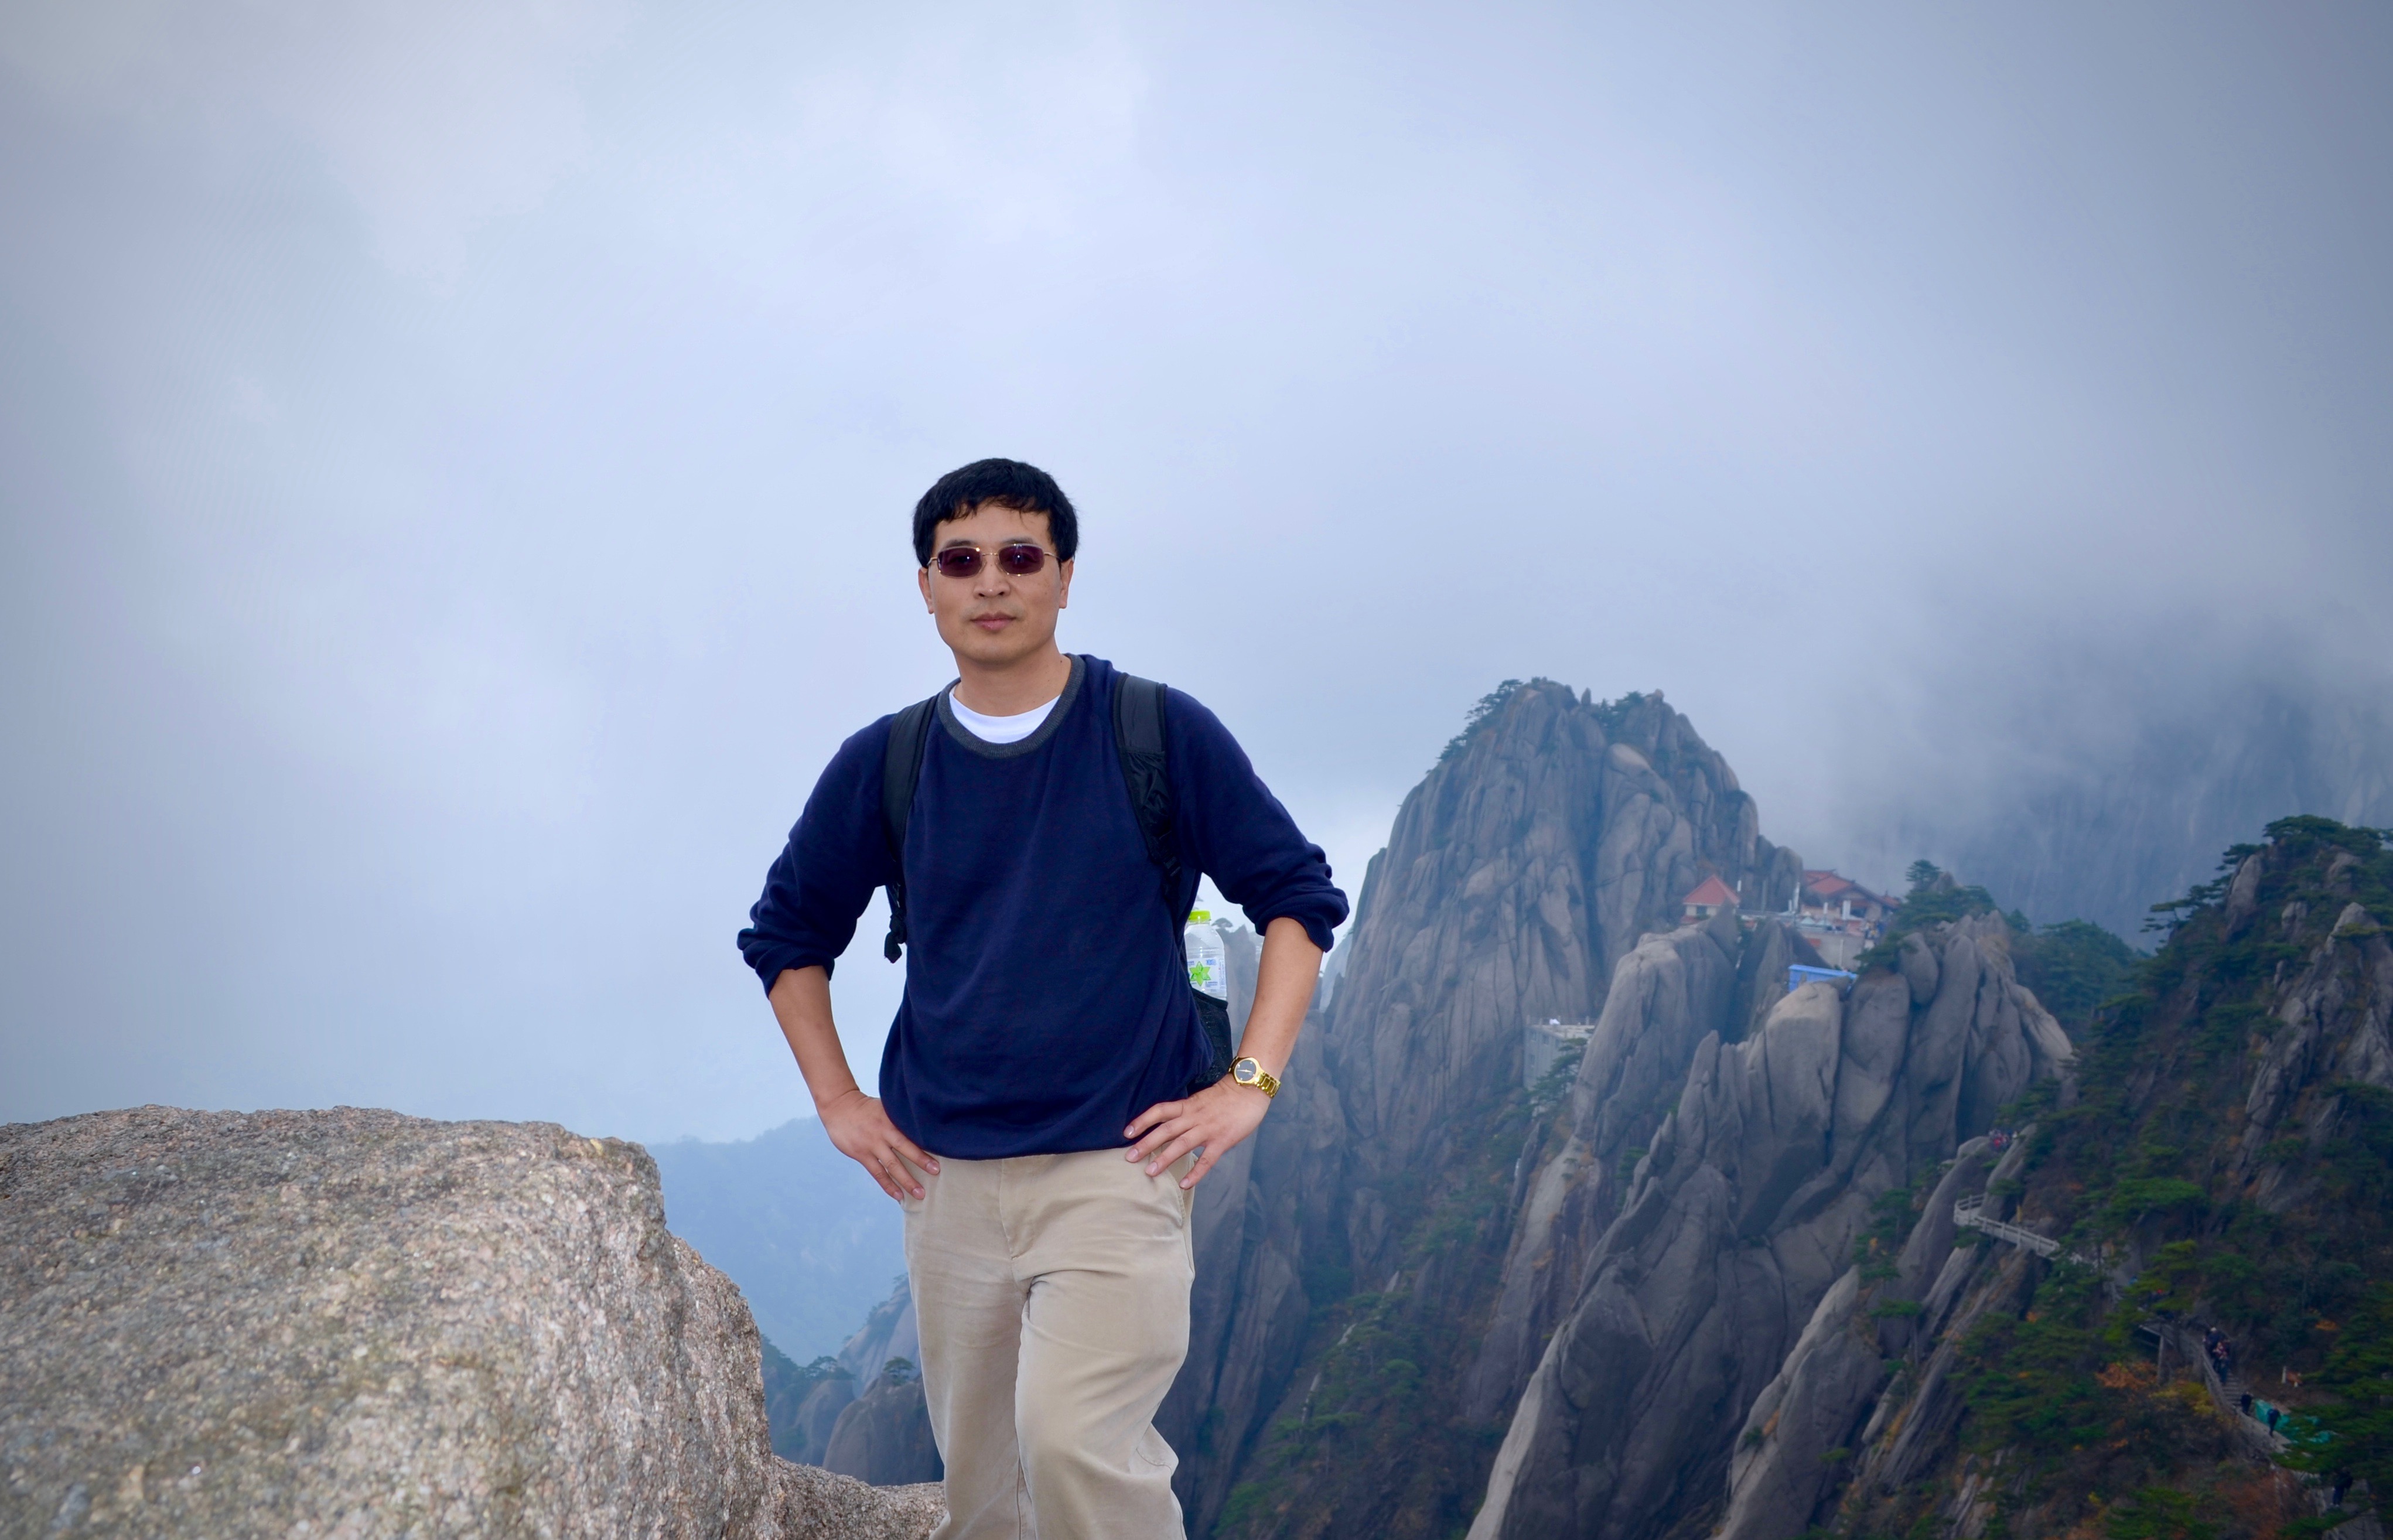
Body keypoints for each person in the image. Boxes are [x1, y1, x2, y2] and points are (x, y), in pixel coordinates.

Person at [738, 458, 1347, 1539]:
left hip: (1119, 1166)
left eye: (1020, 556)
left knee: (1079, 1451)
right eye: (959, 560)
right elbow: (787, 936)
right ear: (925, 585)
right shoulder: (888, 761)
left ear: (1064, 576)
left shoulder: (1153, 730)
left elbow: (1297, 898)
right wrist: (839, 1103)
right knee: (982, 1495)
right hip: (946, 1183)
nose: (990, 582)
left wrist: (1249, 1082)